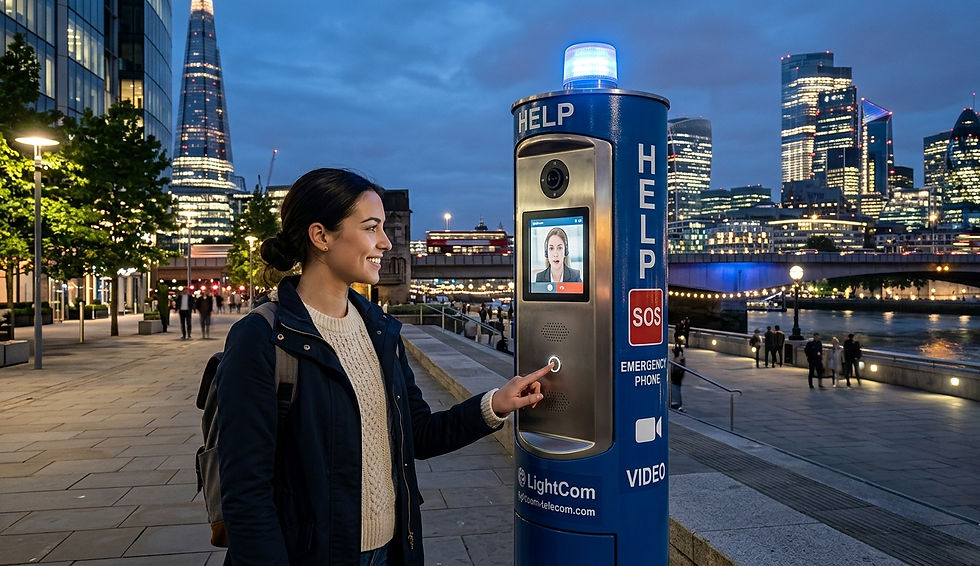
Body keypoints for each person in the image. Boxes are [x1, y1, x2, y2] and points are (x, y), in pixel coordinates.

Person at [213, 168, 551, 566]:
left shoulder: (380, 331)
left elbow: (418, 434)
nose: (387, 243)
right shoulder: (261, 338)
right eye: (372, 227)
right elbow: (246, 495)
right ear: (320, 236)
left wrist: (495, 404)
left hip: (393, 551)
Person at [669, 345, 686, 411]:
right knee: (675, 389)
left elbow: (678, 369)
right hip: (675, 378)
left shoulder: (680, 360)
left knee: (676, 389)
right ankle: (675, 403)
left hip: (676, 378)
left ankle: (677, 404)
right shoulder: (679, 359)